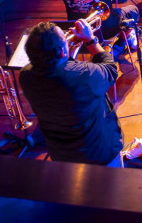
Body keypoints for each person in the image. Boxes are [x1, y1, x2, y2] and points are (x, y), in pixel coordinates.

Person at [18, 20, 124, 167]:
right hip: (99, 154)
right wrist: (90, 40)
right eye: (65, 37)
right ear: (62, 51)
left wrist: (66, 52)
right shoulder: (84, 75)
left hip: (61, 154)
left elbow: (58, 70)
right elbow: (110, 69)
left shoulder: (25, 75)